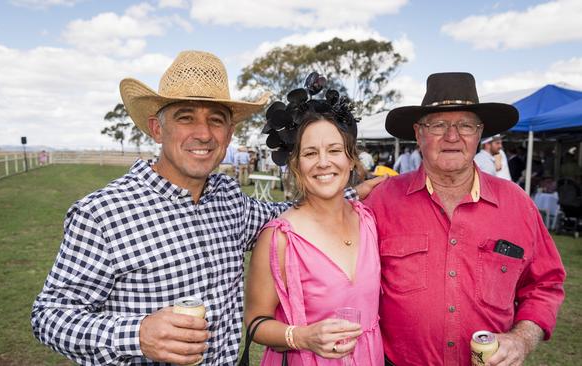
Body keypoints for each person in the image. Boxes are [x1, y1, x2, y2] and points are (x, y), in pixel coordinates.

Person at [30, 51, 382, 366]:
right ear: (157, 128)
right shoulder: (104, 213)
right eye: (185, 117)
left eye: (215, 119)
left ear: (228, 134)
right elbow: (49, 315)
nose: (203, 133)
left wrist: (350, 193)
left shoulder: (228, 200)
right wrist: (138, 334)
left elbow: (294, 216)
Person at [364, 72, 566, 366]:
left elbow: (545, 285)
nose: (452, 136)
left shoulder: (518, 205)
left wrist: (522, 338)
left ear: (479, 134)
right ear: (419, 134)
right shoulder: (381, 201)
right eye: (438, 125)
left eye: (465, 125)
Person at [245, 73, 383, 365]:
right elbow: (256, 322)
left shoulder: (369, 221)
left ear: (351, 159)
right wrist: (303, 337)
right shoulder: (279, 238)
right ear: (296, 164)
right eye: (310, 153)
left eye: (334, 150)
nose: (323, 162)